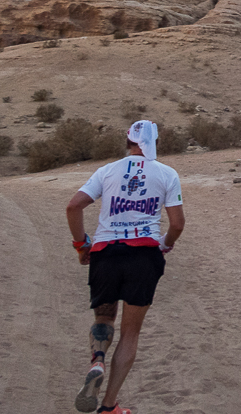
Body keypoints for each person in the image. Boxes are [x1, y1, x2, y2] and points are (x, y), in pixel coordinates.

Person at [65, 120, 185, 414]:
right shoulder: (167, 174)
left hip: (106, 252)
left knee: (104, 319)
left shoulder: (106, 171)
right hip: (144, 256)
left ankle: (97, 360)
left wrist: (82, 245)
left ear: (127, 140)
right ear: (156, 142)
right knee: (130, 333)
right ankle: (109, 406)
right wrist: (165, 244)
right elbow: (177, 224)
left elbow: (73, 206)